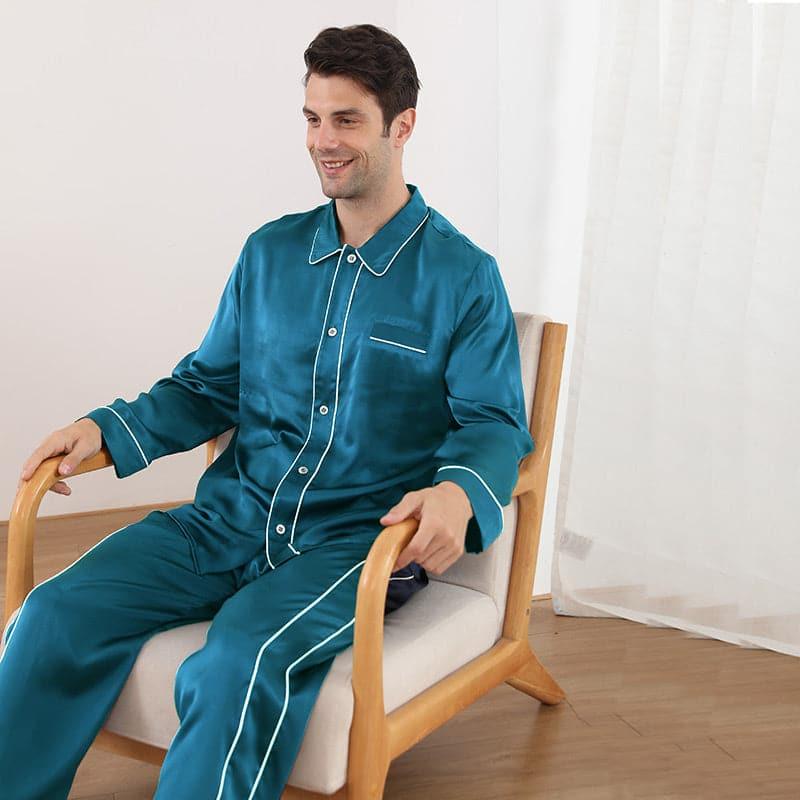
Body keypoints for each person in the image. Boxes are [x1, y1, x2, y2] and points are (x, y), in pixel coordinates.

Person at [1, 22, 534, 800]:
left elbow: (493, 422)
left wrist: (458, 492)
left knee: (238, 661)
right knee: (53, 612)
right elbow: (207, 388)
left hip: (353, 547)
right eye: (313, 118)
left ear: (402, 127)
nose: (324, 141)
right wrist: (103, 430)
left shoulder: (463, 277)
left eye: (346, 120)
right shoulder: (268, 253)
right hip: (226, 522)